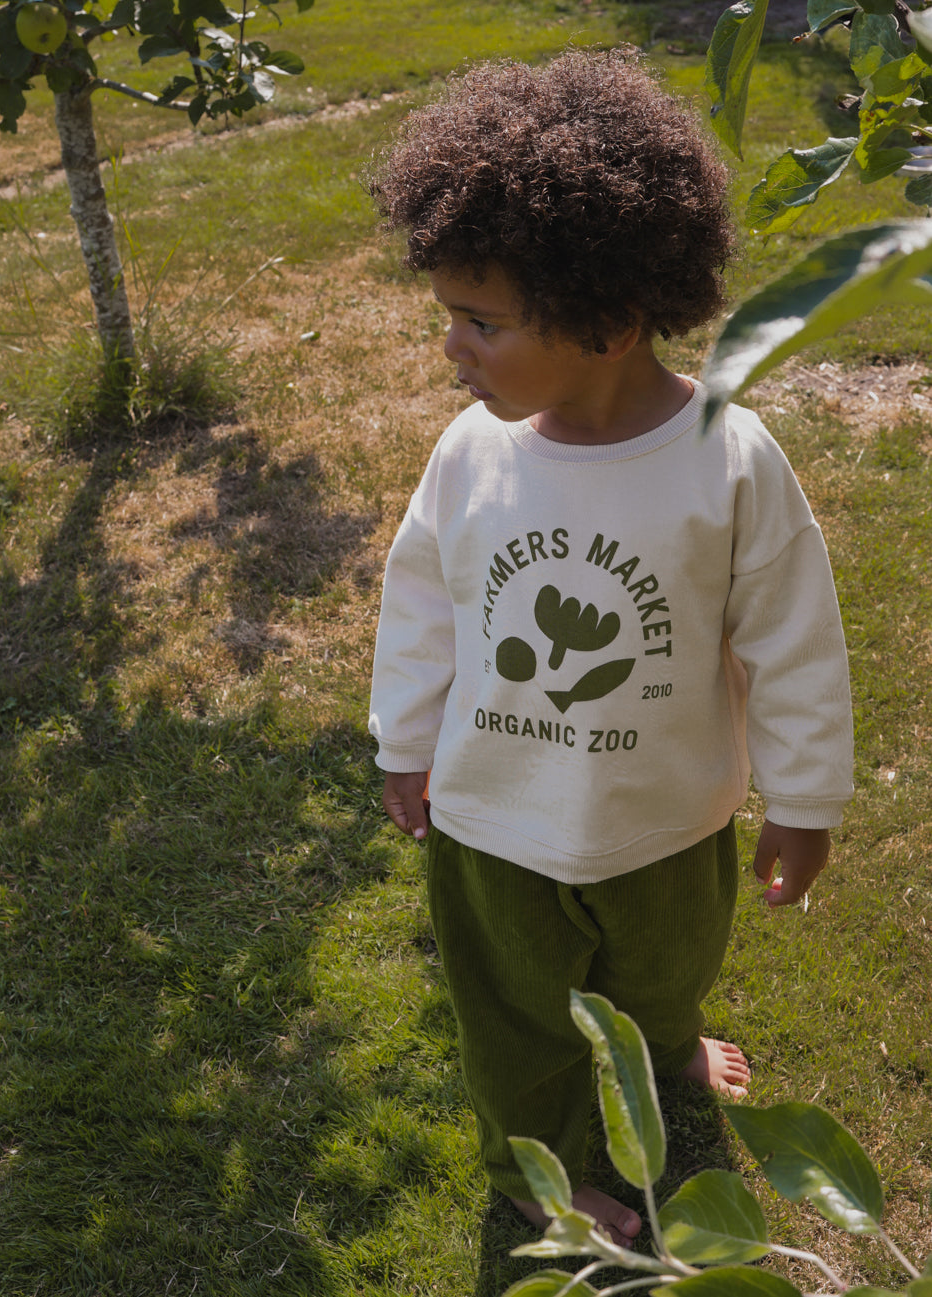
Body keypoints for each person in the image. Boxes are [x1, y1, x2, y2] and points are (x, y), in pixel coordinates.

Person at [366, 48, 854, 1246]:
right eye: (451, 318)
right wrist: (404, 740)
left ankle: (666, 1043)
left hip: (667, 815)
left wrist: (803, 797)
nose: (453, 349)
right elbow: (422, 599)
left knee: (660, 971)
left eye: (481, 322)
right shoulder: (469, 456)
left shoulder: (728, 462)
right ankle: (539, 1169)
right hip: (496, 817)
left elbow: (791, 642)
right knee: (519, 1021)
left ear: (609, 320)